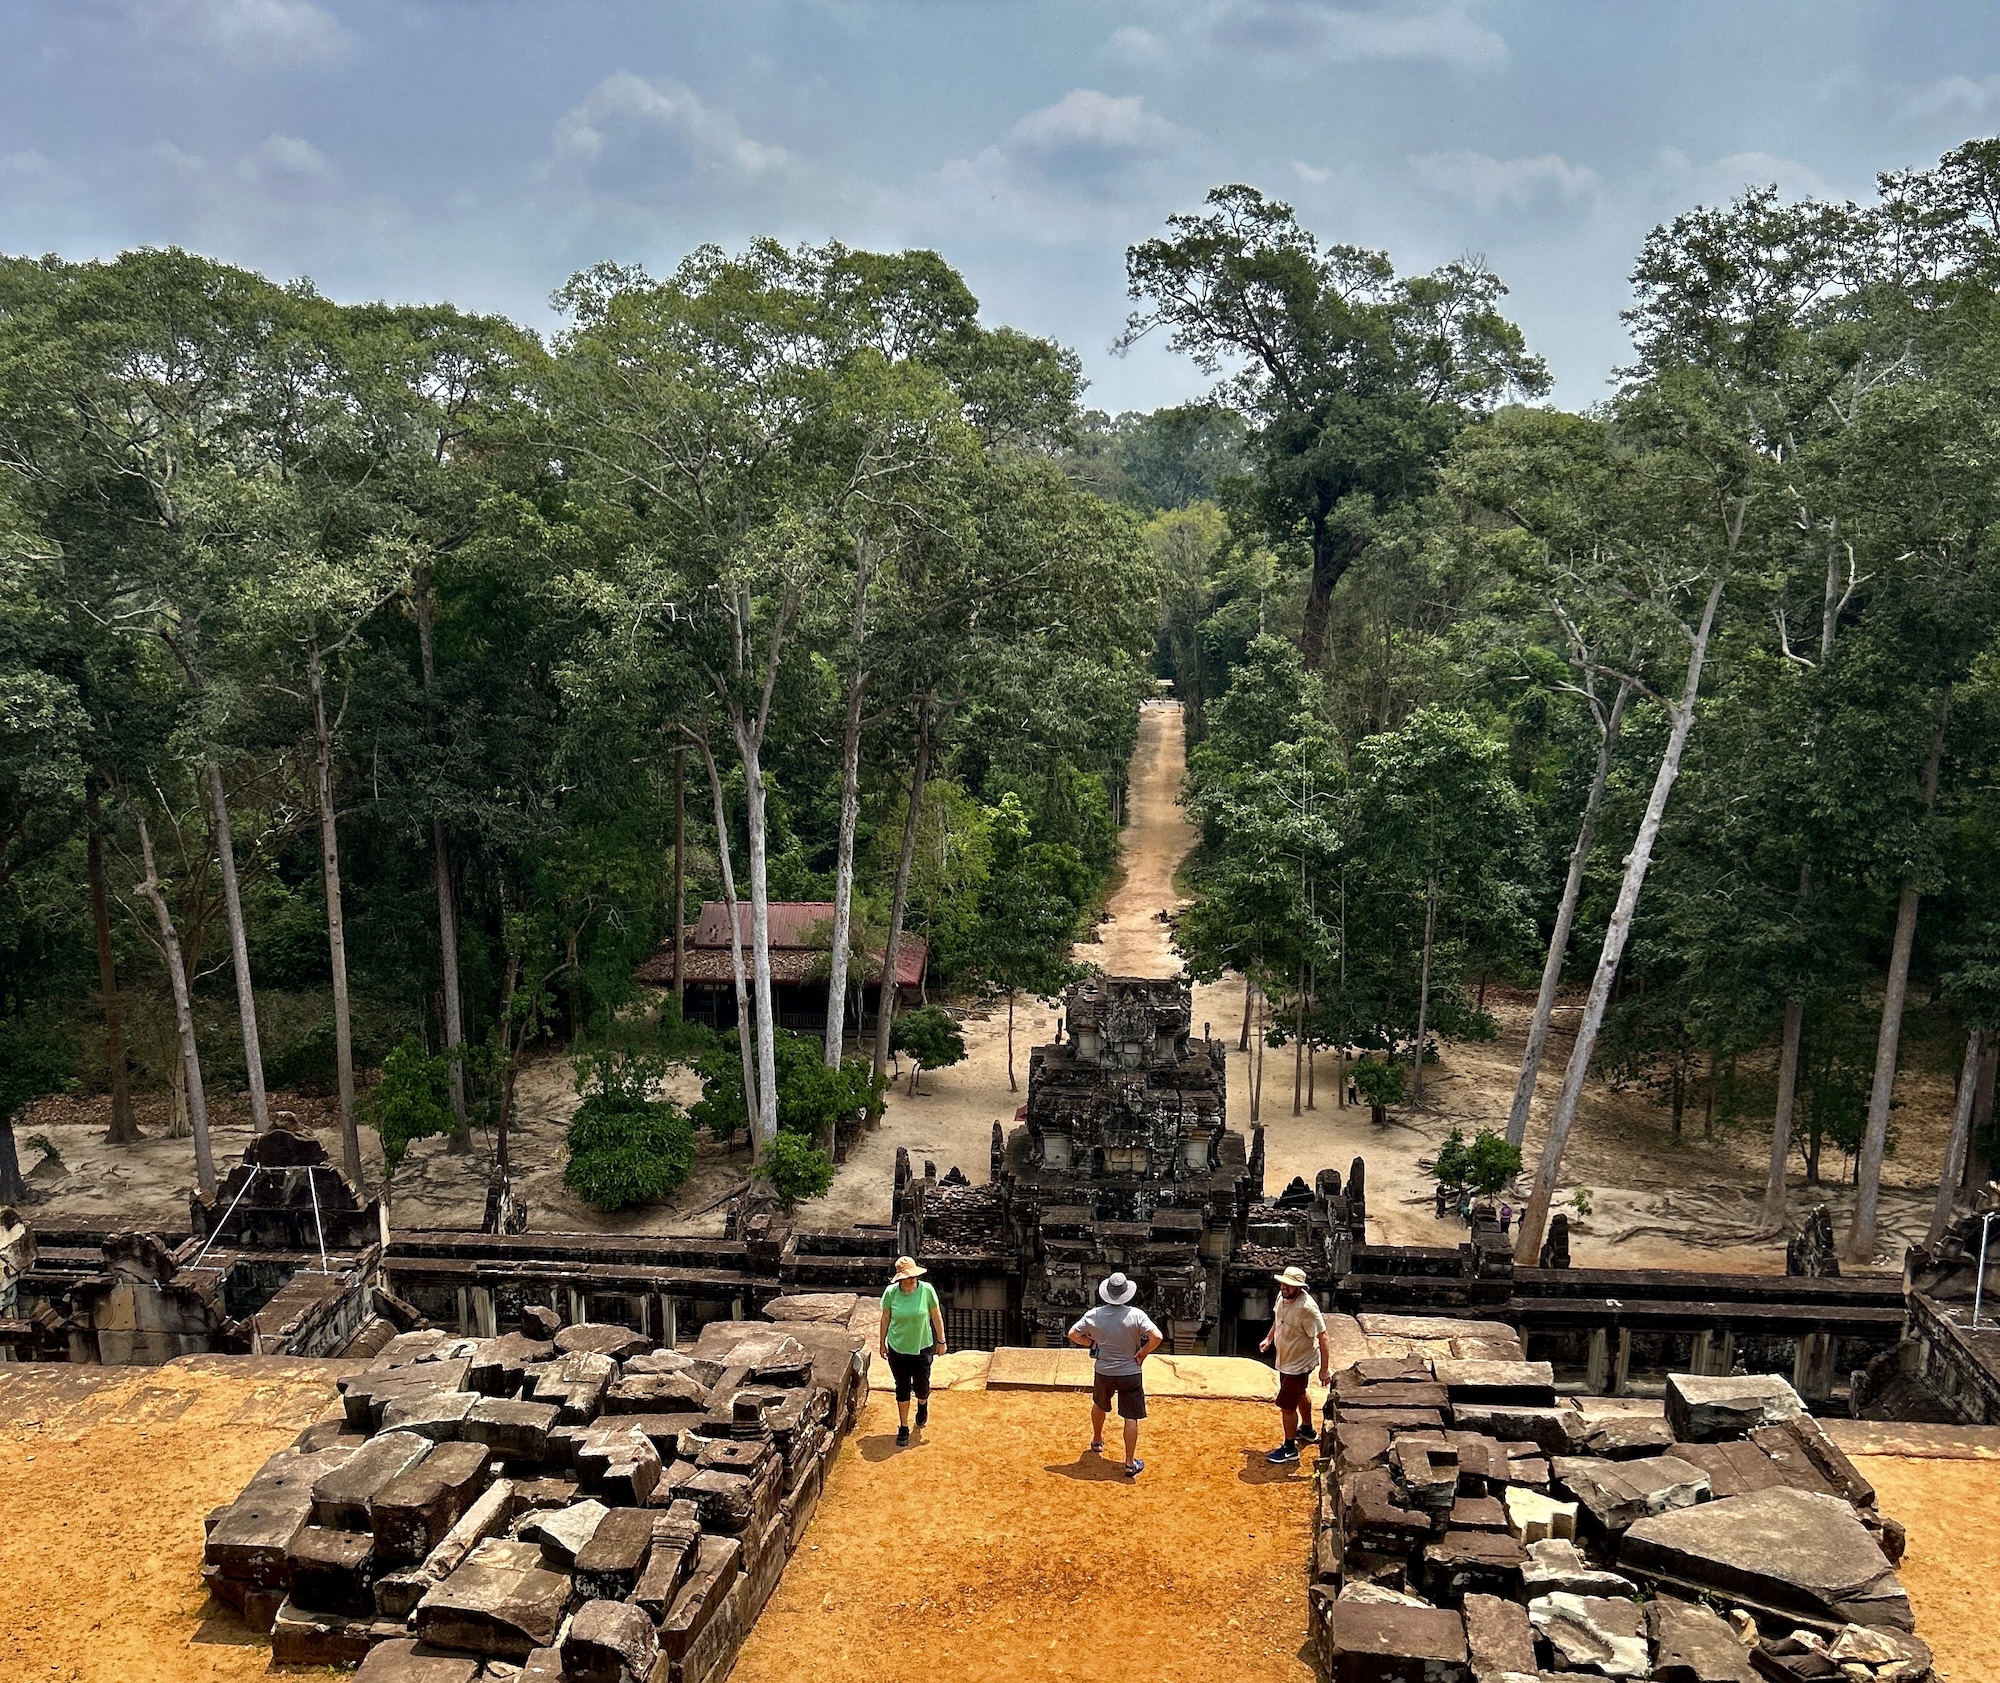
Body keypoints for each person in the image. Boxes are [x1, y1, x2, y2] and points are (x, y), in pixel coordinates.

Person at [1068, 1271, 1162, 1477]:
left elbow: (1073, 1334)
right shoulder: (1136, 1315)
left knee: (1100, 1403)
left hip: (1104, 1371)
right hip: (1130, 1371)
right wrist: (1143, 1352)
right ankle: (1129, 1462)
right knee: (1131, 1417)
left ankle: (1097, 1439)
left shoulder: (1094, 1315)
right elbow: (1157, 1336)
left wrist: (1091, 1343)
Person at [1260, 1265, 1332, 1464]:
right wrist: (1269, 1338)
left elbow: (1324, 1337)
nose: (1285, 1288)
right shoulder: (1281, 1297)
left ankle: (1289, 1447)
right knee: (1300, 1393)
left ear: (1300, 1288)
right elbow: (1279, 1319)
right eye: (1284, 1284)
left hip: (1298, 1363)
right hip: (1286, 1360)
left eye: (1290, 1286)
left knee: (1286, 1405)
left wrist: (1324, 1369)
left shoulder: (1307, 1308)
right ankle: (1307, 1429)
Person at [878, 1255, 947, 1447]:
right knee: (902, 1387)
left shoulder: (926, 1290)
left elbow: (936, 1315)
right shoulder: (891, 1293)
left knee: (922, 1387)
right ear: (900, 1278)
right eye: (908, 1276)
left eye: (914, 1276)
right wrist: (881, 1343)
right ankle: (903, 1426)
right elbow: (885, 1318)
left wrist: (941, 1340)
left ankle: (922, 1405)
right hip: (898, 1347)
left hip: (922, 1346)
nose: (912, 1279)